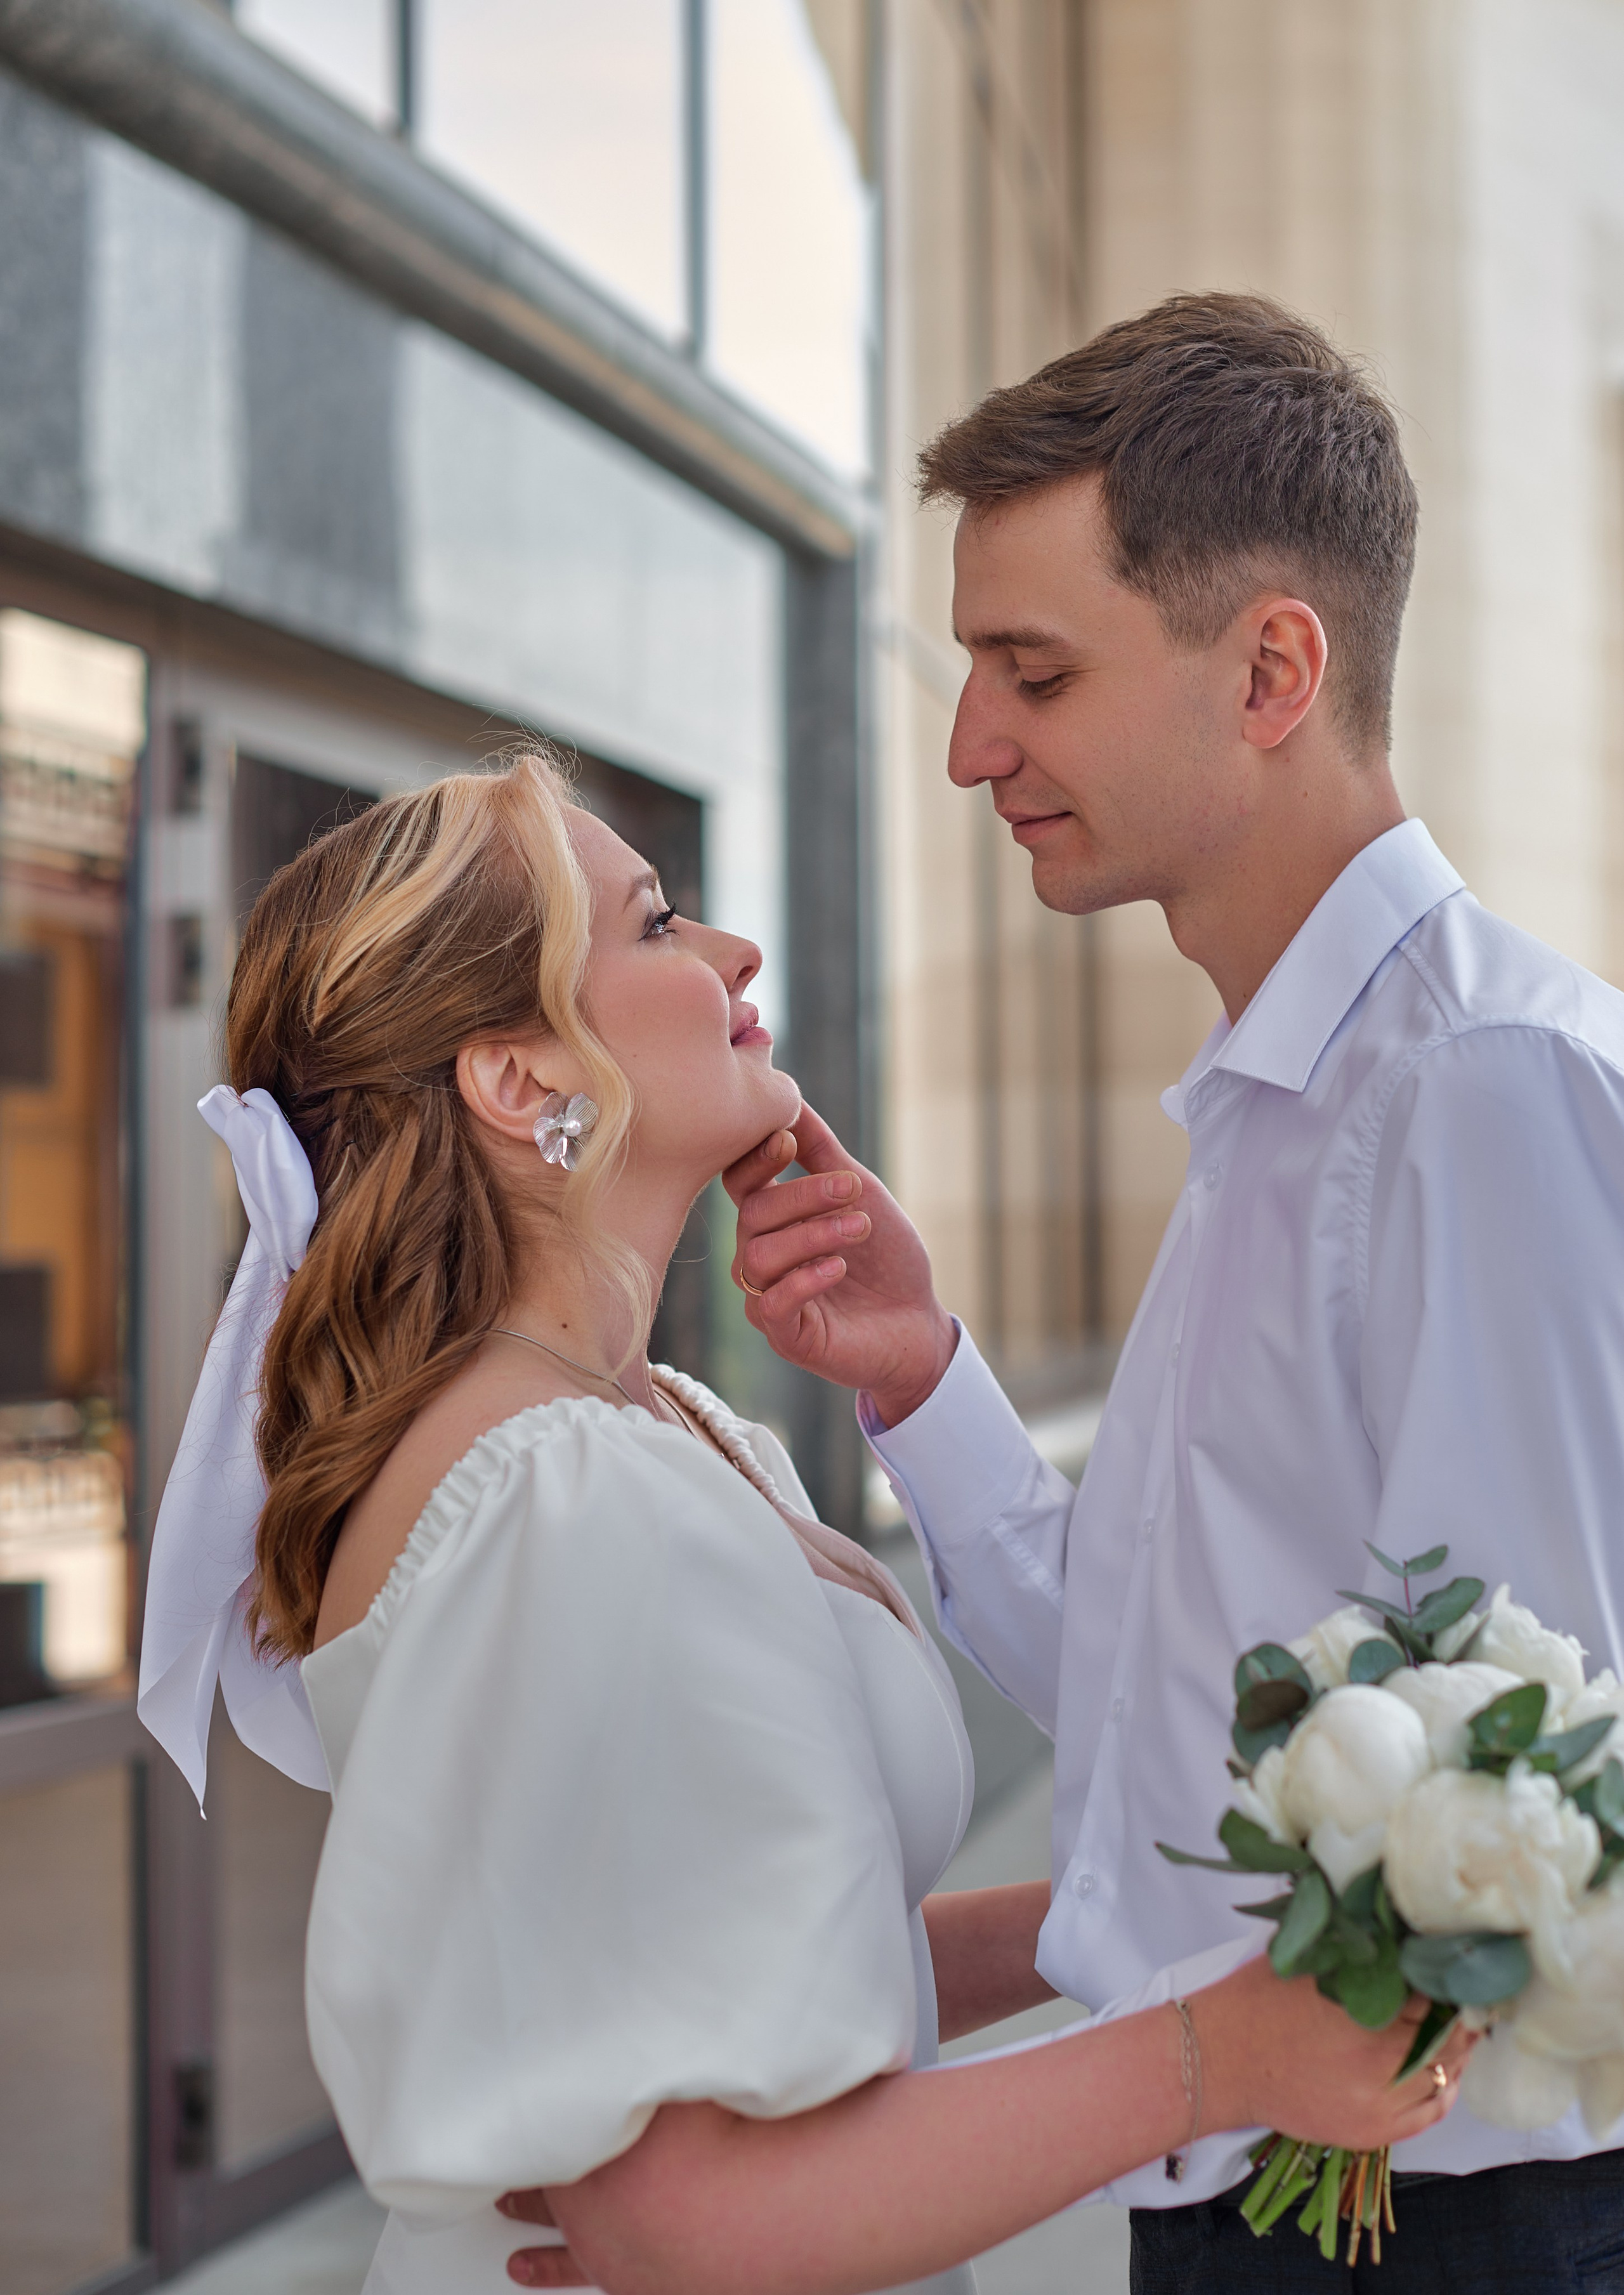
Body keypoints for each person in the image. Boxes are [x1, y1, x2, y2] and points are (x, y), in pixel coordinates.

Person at [134, 752, 1462, 2295]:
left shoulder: (669, 1431)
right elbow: (680, 2222)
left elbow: (803, 1962)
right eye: (656, 925)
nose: (731, 955)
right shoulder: (561, 1501)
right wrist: (1213, 2060)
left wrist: (1192, 1905)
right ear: (520, 1078)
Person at [726, 291, 1624, 2289]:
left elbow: (1534, 1809)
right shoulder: (1288, 1106)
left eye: (1030, 673)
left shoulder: (1471, 1092)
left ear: (1275, 667)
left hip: (1428, 2226)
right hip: (1274, 2200)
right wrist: (923, 1376)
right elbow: (1195, 1729)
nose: (973, 748)